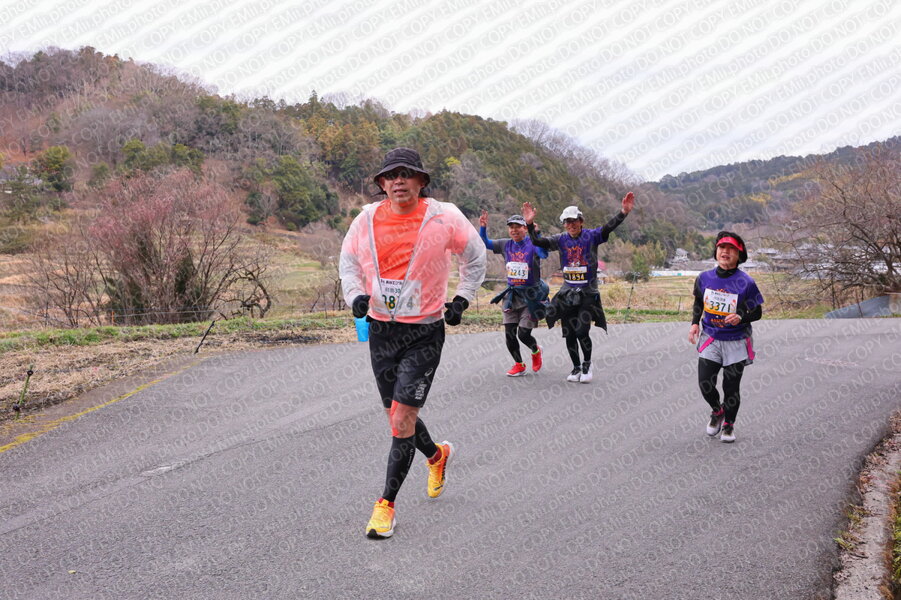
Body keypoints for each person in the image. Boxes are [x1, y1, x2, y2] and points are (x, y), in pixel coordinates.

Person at [339, 147, 486, 538]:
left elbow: (475, 257)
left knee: (402, 418)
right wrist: (354, 295)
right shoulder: (366, 220)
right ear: (382, 184)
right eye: (390, 175)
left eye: (406, 174)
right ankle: (436, 455)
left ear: (422, 181)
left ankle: (385, 506)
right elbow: (348, 263)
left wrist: (462, 298)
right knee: (396, 415)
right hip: (381, 331)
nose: (398, 181)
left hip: (423, 332)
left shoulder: (444, 217)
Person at [522, 193, 634, 383]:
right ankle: (575, 368)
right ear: (564, 224)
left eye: (574, 221)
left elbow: (608, 227)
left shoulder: (591, 236)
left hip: (588, 292)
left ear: (581, 221)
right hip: (567, 293)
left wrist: (623, 212)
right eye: (567, 222)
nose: (571, 225)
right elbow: (538, 242)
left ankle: (587, 365)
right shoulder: (561, 239)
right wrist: (530, 224)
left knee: (582, 331)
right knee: (569, 333)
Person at [688, 231, 764, 443]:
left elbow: (757, 312)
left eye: (731, 249)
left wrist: (741, 317)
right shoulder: (704, 278)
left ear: (739, 255)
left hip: (736, 340)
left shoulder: (746, 282)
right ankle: (717, 411)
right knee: (705, 383)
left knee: (731, 387)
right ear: (716, 251)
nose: (725, 252)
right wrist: (694, 323)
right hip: (711, 337)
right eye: (722, 247)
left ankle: (729, 424)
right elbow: (698, 302)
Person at [479, 210, 549, 376]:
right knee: (509, 334)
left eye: (518, 227)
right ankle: (519, 364)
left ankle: (535, 350)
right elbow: (485, 243)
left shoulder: (532, 244)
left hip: (530, 297)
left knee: (523, 334)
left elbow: (544, 253)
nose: (514, 230)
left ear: (525, 229)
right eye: (511, 227)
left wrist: (537, 235)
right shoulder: (505, 244)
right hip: (511, 296)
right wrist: (483, 227)